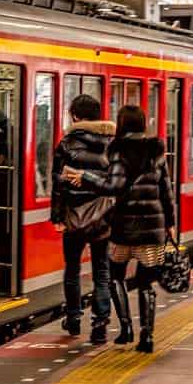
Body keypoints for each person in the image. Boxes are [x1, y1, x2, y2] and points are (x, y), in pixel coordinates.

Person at [71, 105, 176, 354]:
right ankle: (147, 336)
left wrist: (86, 178)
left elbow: (114, 185)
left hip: (125, 227)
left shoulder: (118, 151)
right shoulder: (157, 150)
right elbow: (166, 190)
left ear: (122, 124)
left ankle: (126, 328)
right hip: (153, 228)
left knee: (117, 275)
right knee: (147, 282)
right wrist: (170, 223)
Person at [50, 94, 115, 343]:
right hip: (103, 218)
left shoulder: (66, 144)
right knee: (101, 270)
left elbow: (58, 183)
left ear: (75, 116)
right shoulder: (113, 143)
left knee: (73, 270)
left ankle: (74, 318)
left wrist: (57, 217)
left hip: (74, 217)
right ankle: (100, 324)